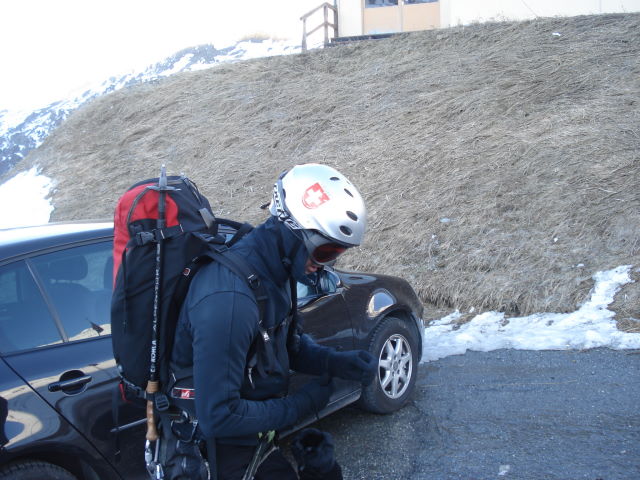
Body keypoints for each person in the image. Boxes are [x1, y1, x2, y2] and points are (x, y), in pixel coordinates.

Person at [170, 163, 377, 479]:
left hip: (254, 438)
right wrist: (301, 404)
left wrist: (336, 362)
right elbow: (219, 415)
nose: (326, 264)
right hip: (219, 453)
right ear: (293, 231)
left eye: (338, 252)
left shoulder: (275, 272)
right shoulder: (229, 300)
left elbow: (283, 344)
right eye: (325, 251)